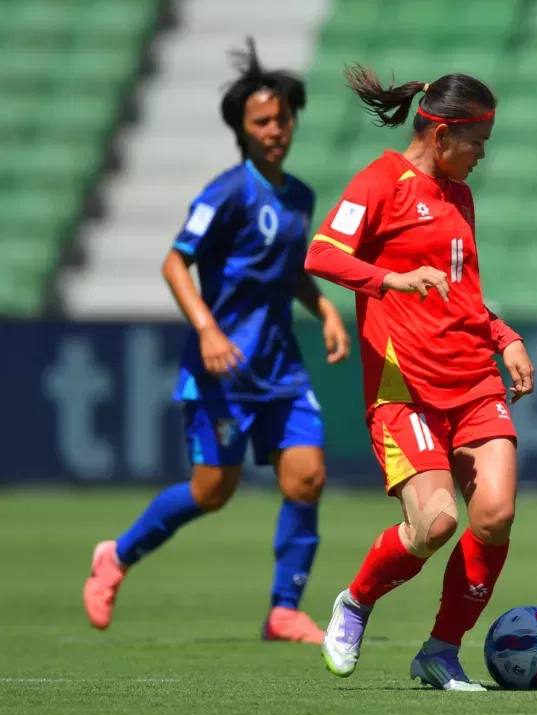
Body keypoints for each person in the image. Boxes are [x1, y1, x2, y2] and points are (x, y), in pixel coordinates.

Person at [83, 39, 348, 644]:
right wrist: (207, 329)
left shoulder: (300, 196)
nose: (276, 129)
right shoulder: (227, 192)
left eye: (282, 118)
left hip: (281, 368)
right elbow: (176, 264)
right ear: (242, 129)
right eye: (262, 121)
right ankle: (116, 557)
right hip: (222, 370)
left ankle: (284, 609)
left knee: (306, 478)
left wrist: (325, 309)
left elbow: (288, 270)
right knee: (212, 491)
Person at [303, 65, 534, 691]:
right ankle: (355, 602)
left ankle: (441, 650)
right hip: (405, 388)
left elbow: (462, 296)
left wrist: (502, 335)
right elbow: (320, 253)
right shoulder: (381, 182)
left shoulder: (459, 195)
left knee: (495, 514)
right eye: (476, 142)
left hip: (473, 379)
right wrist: (389, 281)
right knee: (435, 525)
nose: (481, 156)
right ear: (440, 135)